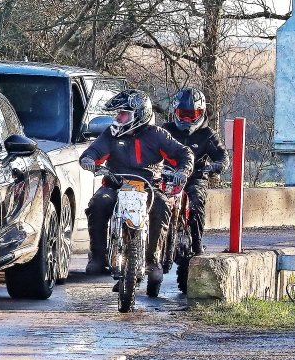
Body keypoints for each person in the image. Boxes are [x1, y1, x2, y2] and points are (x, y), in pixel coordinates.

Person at [78, 89, 194, 291]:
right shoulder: (110, 134)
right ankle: (98, 255)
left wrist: (183, 171)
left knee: (162, 205)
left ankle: (152, 260)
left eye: (124, 114)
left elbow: (183, 153)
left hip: (149, 187)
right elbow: (94, 150)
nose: (118, 118)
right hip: (115, 184)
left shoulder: (157, 135)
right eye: (118, 114)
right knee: (98, 202)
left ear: (139, 115)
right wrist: (88, 159)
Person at [161, 87, 229, 256]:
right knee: (153, 202)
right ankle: (145, 245)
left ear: (201, 113)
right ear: (175, 111)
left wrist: (216, 166)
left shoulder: (207, 134)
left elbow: (223, 156)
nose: (186, 119)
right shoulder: (165, 130)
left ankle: (197, 245)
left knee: (196, 202)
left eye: (192, 114)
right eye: (183, 113)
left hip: (195, 178)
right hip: (167, 177)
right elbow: (150, 150)